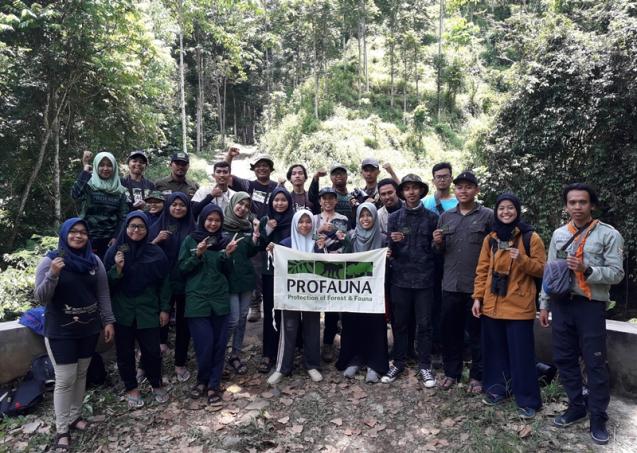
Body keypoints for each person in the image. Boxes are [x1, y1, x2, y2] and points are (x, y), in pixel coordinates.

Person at [539, 183, 624, 445]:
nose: (577, 207)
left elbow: (617, 274)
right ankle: (576, 406)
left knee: (594, 361)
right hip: (562, 304)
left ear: (592, 205)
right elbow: (549, 272)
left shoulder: (609, 235)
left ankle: (598, 416)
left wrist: (588, 269)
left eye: (582, 202)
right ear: (566, 206)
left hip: (590, 305)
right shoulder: (559, 234)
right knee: (564, 358)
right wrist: (544, 303)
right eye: (572, 202)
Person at [34, 218, 115, 451]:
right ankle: (62, 429)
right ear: (64, 234)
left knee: (81, 375)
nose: (78, 236)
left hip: (89, 328)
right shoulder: (51, 260)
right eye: (73, 232)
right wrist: (52, 274)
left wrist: (108, 321)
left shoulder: (94, 261)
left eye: (83, 232)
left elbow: (103, 293)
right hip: (61, 330)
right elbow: (40, 297)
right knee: (65, 378)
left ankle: (75, 417)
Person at [471, 193, 546, 418]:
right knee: (494, 352)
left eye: (510, 208)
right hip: (492, 304)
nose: (506, 212)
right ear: (496, 211)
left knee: (521, 354)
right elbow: (482, 270)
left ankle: (528, 400)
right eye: (501, 208)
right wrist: (477, 298)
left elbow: (543, 269)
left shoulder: (530, 237)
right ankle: (497, 390)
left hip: (519, 305)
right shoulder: (490, 238)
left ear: (517, 210)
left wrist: (521, 259)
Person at [433, 171, 493, 392]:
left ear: (476, 190)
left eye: (468, 187)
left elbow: (496, 251)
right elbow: (439, 253)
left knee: (477, 334)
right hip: (450, 285)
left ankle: (477, 377)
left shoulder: (488, 216)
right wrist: (437, 243)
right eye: (459, 187)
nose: (463, 191)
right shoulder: (446, 217)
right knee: (450, 332)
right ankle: (451, 373)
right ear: (455, 190)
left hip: (477, 287)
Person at [104, 212, 171, 408]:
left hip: (148, 309)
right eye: (132, 226)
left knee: (152, 350)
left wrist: (165, 309)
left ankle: (156, 383)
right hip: (122, 310)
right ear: (125, 228)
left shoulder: (155, 252)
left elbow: (165, 283)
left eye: (141, 227)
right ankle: (131, 387)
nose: (136, 230)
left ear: (147, 229)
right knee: (124, 352)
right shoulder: (114, 252)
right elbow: (104, 285)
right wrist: (117, 269)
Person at [178, 204, 239, 403]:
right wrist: (198, 254)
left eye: (217, 220)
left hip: (219, 300)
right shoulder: (190, 240)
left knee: (219, 345)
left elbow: (229, 272)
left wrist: (228, 255)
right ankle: (201, 381)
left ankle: (213, 384)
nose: (213, 224)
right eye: (209, 219)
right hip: (197, 302)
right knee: (204, 344)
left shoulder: (224, 241)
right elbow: (182, 268)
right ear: (202, 220)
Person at [382, 174, 438, 387]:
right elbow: (391, 252)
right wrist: (393, 245)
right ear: (402, 193)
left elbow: (436, 251)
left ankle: (424, 365)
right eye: (407, 189)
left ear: (421, 191)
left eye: (415, 188)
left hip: (424, 281)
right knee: (400, 324)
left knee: (424, 325)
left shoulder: (432, 218)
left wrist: (438, 242)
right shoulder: (394, 218)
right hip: (400, 280)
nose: (411, 192)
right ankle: (398, 361)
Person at [267, 209, 323, 385]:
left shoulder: (316, 242)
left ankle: (312, 365)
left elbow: (325, 265)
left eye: (308, 222)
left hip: (312, 294)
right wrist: (272, 251)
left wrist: (322, 249)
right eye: (301, 221)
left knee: (312, 328)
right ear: (295, 224)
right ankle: (282, 367)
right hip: (291, 294)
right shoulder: (285, 243)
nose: (305, 225)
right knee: (288, 329)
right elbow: (277, 265)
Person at [336, 203, 390, 383]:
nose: (365, 219)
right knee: (352, 324)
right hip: (353, 290)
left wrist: (388, 258)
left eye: (369, 215)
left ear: (375, 217)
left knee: (374, 326)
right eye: (362, 215)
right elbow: (343, 260)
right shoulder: (351, 236)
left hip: (374, 291)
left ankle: (375, 364)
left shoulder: (382, 238)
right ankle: (354, 359)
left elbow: (389, 265)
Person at [225, 147, 278, 323]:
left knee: (272, 268)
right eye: (258, 165)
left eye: (266, 165)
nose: (262, 168)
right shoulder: (248, 185)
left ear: (271, 169)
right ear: (254, 169)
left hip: (272, 233)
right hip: (253, 232)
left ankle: (274, 303)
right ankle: (255, 304)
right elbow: (227, 176)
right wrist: (230, 157)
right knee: (255, 268)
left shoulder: (276, 187)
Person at [149, 192, 195, 381]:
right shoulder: (155, 227)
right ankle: (149, 363)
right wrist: (156, 241)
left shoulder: (193, 227)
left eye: (182, 204)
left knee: (184, 326)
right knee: (157, 324)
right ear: (167, 206)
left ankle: (180, 363)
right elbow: (142, 253)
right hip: (160, 284)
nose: (177, 208)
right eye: (174, 204)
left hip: (186, 282)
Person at [257, 187, 294, 373]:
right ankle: (268, 353)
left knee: (289, 313)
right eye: (276, 200)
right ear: (271, 202)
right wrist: (268, 230)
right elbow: (259, 245)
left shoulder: (294, 220)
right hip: (270, 273)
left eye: (283, 200)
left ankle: (289, 351)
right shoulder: (266, 220)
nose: (279, 203)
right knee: (270, 312)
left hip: (290, 273)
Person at [222, 192, 260, 375]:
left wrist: (255, 237)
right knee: (233, 319)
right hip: (228, 280)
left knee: (243, 317)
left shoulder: (248, 226)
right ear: (233, 203)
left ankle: (235, 354)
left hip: (245, 279)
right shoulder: (219, 224)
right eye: (240, 204)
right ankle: (219, 353)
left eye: (247, 206)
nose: (243, 208)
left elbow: (250, 252)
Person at [423, 162, 457, 357]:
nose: (442, 179)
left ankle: (453, 345)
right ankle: (435, 344)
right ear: (433, 180)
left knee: (451, 302)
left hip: (453, 258)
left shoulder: (458, 202)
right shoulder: (427, 202)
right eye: (438, 176)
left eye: (445, 176)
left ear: (451, 178)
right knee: (433, 302)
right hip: (431, 260)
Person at [314, 186, 351, 362]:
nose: (327, 201)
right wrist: (320, 230)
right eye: (324, 198)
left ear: (336, 201)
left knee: (336, 307)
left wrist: (337, 236)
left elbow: (348, 241)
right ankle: (318, 344)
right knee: (319, 307)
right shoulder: (313, 219)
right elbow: (307, 239)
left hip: (338, 268)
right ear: (320, 201)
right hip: (318, 268)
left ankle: (333, 344)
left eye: (331, 198)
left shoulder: (343, 219)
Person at [71, 151, 128, 259]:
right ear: (96, 166)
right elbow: (75, 195)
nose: (105, 168)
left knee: (105, 270)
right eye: (102, 165)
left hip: (109, 241)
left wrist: (116, 237)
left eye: (109, 165)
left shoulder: (120, 190)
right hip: (86, 237)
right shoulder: (89, 185)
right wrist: (85, 172)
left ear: (114, 168)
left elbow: (123, 217)